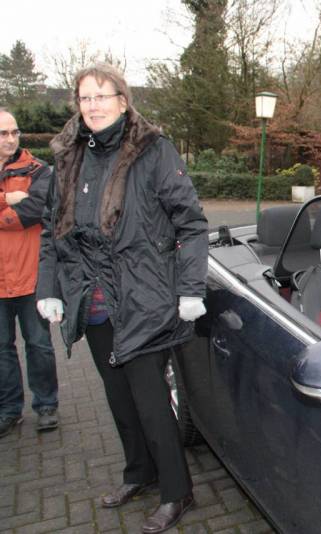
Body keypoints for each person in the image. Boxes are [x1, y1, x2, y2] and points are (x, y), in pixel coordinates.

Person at [36, 63, 207, 534]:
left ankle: (177, 491)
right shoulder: (69, 156)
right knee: (118, 397)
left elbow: (191, 223)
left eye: (101, 96)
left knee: (151, 400)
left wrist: (191, 288)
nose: (92, 105)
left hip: (144, 298)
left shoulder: (153, 150)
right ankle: (140, 472)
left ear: (122, 101)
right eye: (85, 98)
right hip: (92, 299)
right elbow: (53, 230)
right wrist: (49, 288)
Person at [0, 109, 59, 438]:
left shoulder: (38, 170)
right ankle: (9, 410)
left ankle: (46, 405)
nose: (10, 139)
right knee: (1, 350)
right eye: (3, 134)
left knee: (39, 345)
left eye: (14, 132)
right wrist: (7, 198)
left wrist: (14, 208)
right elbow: (16, 211)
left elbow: (33, 212)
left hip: (30, 277)